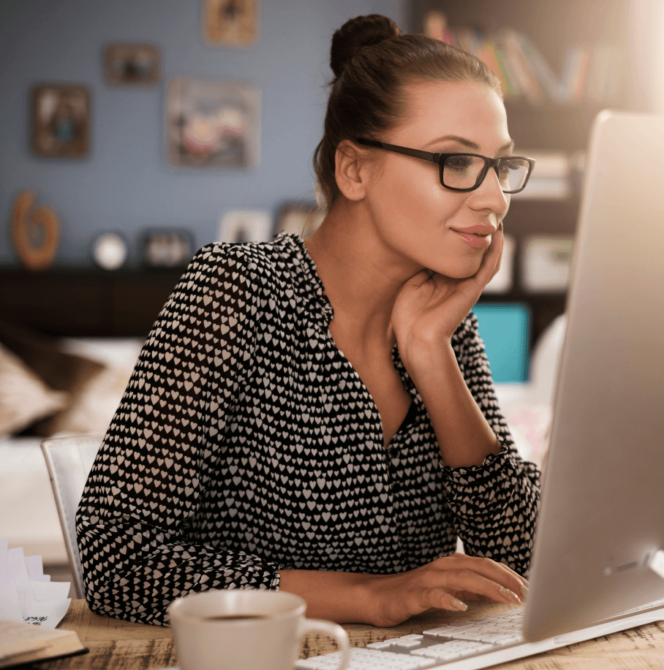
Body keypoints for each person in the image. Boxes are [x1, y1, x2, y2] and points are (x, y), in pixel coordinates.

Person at [76, 14, 541, 627]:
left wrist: (432, 355)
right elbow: (115, 558)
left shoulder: (445, 319)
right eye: (455, 161)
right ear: (354, 170)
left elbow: (517, 557)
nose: (495, 198)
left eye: (500, 166)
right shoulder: (236, 290)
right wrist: (368, 597)